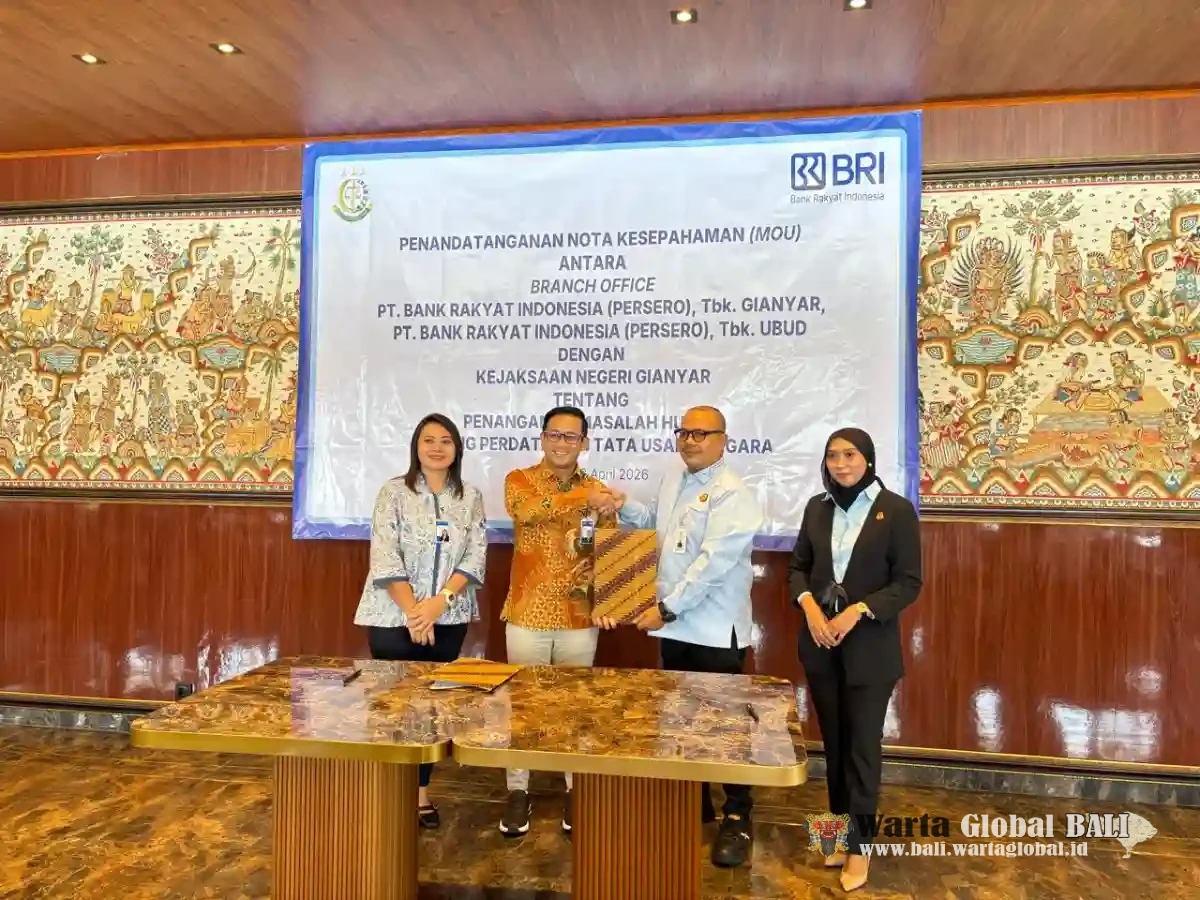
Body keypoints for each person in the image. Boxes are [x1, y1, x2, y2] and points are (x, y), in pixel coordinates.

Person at [591, 405, 764, 868]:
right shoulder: (674, 480)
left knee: (726, 729)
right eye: (684, 432)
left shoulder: (733, 494)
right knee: (682, 721)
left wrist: (666, 608)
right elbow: (656, 527)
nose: (689, 440)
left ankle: (738, 816)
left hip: (712, 629)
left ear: (723, 440)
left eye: (700, 433)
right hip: (675, 626)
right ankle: (696, 807)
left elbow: (711, 566)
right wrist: (623, 505)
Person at [787, 427, 922, 892]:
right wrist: (808, 607)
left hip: (869, 650)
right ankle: (836, 837)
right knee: (835, 746)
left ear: (868, 458)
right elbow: (797, 568)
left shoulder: (897, 511)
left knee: (862, 751)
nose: (840, 464)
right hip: (821, 645)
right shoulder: (817, 508)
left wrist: (857, 612)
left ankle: (860, 850)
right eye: (832, 457)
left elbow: (908, 582)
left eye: (850, 455)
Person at [353, 413, 487, 829]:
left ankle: (421, 797)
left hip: (449, 618)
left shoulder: (470, 496)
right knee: (391, 709)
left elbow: (475, 556)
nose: (436, 448)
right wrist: (415, 611)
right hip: (393, 617)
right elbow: (385, 555)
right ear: (416, 446)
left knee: (430, 710)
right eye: (428, 440)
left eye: (446, 441)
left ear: (456, 449)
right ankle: (387, 795)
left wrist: (438, 606)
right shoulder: (393, 492)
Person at [499, 406, 615, 837]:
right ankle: (517, 792)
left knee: (577, 709)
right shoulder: (519, 480)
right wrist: (580, 499)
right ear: (543, 438)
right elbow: (527, 512)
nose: (562, 443)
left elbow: (608, 548)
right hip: (528, 612)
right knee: (522, 708)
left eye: (572, 437)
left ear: (584, 443)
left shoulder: (598, 489)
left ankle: (575, 789)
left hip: (579, 616)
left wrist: (610, 600)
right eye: (555, 435)